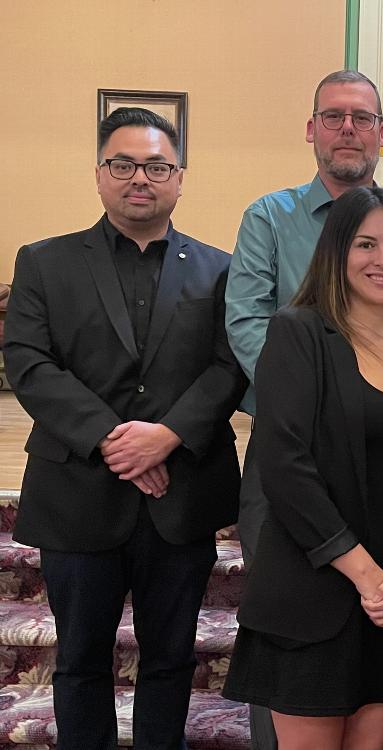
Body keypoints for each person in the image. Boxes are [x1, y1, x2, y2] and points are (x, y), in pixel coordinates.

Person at [3, 107, 246, 749]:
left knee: (171, 659)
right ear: (100, 173)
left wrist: (167, 435)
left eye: (157, 165)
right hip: (78, 492)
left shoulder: (221, 270)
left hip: (182, 494)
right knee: (81, 662)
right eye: (124, 164)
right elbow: (28, 361)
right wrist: (117, 439)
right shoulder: (43, 262)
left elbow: (230, 365)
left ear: (180, 176)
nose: (140, 177)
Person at [224, 70, 383, 747]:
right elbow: (287, 461)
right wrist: (365, 573)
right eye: (364, 245)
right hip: (318, 576)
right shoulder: (298, 329)